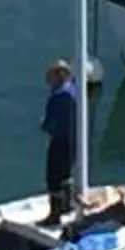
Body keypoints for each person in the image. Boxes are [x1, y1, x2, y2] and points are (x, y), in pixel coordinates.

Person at [42, 62, 78, 219]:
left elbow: (50, 123)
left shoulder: (59, 96)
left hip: (60, 139)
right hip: (74, 138)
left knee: (54, 176)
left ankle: (55, 214)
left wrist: (44, 125)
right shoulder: (74, 91)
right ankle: (68, 204)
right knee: (66, 172)